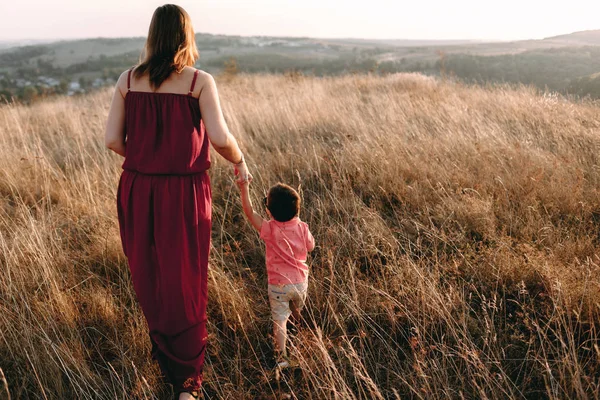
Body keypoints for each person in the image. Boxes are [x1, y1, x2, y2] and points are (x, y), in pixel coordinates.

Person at [104, 5, 251, 399]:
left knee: (149, 275)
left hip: (137, 189)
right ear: (187, 35)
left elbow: (113, 141)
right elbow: (220, 138)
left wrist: (147, 159)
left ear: (153, 36)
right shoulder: (198, 82)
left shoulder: (127, 81)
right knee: (184, 279)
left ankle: (165, 358)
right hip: (184, 193)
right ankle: (187, 383)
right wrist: (240, 160)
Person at [237, 181, 315, 367]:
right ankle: (298, 328)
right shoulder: (302, 227)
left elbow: (249, 212)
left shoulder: (269, 229)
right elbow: (311, 246)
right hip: (300, 283)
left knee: (279, 321)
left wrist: (244, 188)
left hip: (278, 285)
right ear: (297, 210)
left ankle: (282, 358)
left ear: (269, 212)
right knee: (296, 307)